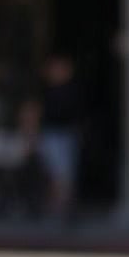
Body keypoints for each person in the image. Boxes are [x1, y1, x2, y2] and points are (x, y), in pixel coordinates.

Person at [33, 54, 83, 221]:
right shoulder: (45, 91)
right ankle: (55, 211)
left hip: (66, 136)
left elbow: (77, 117)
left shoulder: (72, 91)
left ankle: (63, 211)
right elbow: (34, 114)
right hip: (50, 136)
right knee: (55, 175)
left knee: (65, 176)